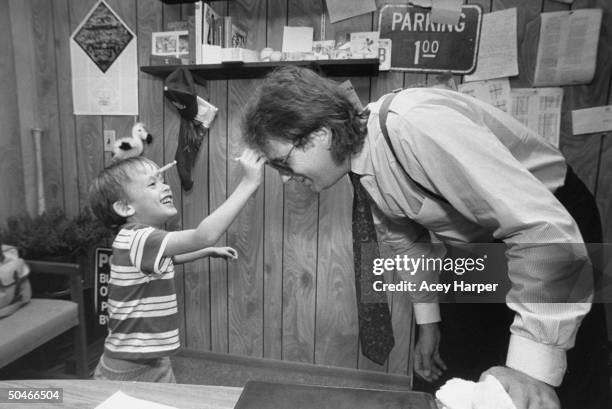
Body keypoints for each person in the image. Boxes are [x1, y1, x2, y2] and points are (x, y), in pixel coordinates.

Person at [241, 66, 610, 409]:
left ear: (319, 135)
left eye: (281, 163)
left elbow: (541, 229)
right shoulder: (361, 156)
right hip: (478, 236)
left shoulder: (415, 126)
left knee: (555, 369)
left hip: (551, 222)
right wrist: (429, 324)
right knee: (457, 368)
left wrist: (533, 368)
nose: (285, 177)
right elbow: (407, 242)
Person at [88, 151, 264, 382]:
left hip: (153, 358)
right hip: (127, 369)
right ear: (125, 208)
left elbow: (170, 259)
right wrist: (248, 182)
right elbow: (205, 235)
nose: (165, 187)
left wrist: (207, 252)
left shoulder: (138, 240)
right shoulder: (139, 238)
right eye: (152, 184)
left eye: (162, 180)